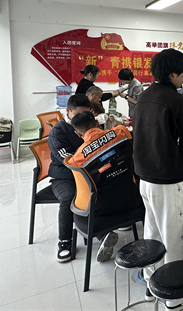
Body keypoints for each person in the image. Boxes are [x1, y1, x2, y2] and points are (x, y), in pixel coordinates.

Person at [133, 49, 183, 304]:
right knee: (176, 236)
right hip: (168, 179)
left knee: (153, 231)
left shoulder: (145, 96)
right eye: (182, 73)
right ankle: (175, 296)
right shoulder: (175, 100)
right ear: (172, 74)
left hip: (145, 177)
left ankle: (152, 282)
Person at [66, 111, 143, 262]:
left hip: (102, 211)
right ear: (97, 123)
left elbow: (84, 192)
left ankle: (104, 235)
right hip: (133, 201)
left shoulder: (77, 160)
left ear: (78, 134)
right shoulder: (121, 132)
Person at [47, 94, 92, 262]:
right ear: (68, 111)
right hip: (64, 176)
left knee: (108, 183)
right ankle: (65, 241)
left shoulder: (90, 125)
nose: (82, 118)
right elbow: (67, 159)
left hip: (88, 171)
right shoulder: (58, 131)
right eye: (77, 114)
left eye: (86, 114)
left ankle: (102, 230)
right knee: (68, 198)